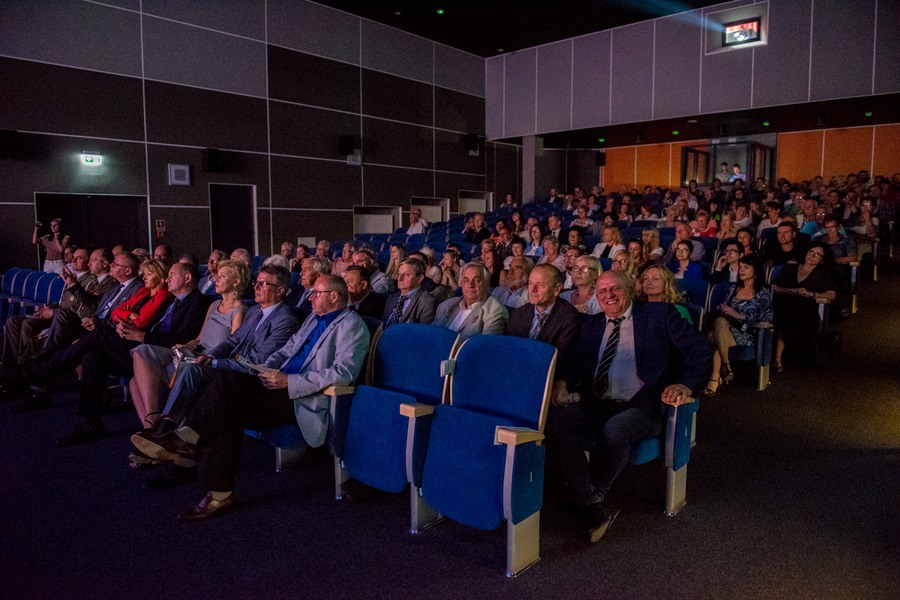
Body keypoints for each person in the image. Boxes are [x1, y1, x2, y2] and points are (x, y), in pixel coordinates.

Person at [132, 275, 370, 521]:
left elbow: (344, 374)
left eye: (317, 293)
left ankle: (190, 445)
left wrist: (289, 381)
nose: (309, 297)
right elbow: (287, 351)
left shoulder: (352, 325)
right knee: (226, 396)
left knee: (227, 393)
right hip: (275, 385)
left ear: (334, 296)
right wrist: (266, 369)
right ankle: (217, 490)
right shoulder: (313, 318)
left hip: (304, 399)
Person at [546, 269, 712, 542]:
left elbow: (700, 349)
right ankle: (591, 500)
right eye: (602, 292)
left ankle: (591, 495)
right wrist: (563, 382)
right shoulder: (592, 324)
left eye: (615, 289)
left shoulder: (660, 315)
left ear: (630, 289)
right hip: (598, 401)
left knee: (616, 428)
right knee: (554, 422)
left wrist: (686, 384)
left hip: (642, 404)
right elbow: (576, 362)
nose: (608, 296)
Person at [128, 260, 248, 435]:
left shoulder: (240, 310)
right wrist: (183, 347)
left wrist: (200, 355)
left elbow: (232, 346)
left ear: (236, 281)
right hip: (192, 353)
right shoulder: (214, 305)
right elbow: (199, 338)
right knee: (142, 352)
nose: (216, 280)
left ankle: (154, 432)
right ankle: (151, 425)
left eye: (222, 276)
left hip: (207, 362)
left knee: (135, 382)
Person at [703, 255, 772, 396]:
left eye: (746, 267)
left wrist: (738, 315)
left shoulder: (762, 292)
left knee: (714, 336)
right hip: (727, 327)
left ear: (755, 271)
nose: (741, 270)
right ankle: (724, 366)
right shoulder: (734, 288)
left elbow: (767, 317)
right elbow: (723, 310)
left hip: (748, 332)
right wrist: (723, 308)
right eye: (740, 267)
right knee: (720, 323)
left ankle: (717, 376)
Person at [771, 241, 837, 371]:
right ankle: (777, 358)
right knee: (786, 310)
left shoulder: (823, 274)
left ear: (822, 260)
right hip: (784, 303)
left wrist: (812, 294)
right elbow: (774, 287)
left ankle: (777, 358)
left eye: (817, 255)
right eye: (811, 252)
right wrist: (792, 291)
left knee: (790, 313)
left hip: (808, 308)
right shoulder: (790, 268)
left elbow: (831, 295)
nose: (812, 256)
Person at [433, 263, 508, 340]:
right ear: (461, 284)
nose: (470, 285)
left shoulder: (495, 311)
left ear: (486, 284)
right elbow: (431, 336)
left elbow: (485, 347)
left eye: (477, 280)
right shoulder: (446, 305)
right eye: (466, 280)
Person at [381, 259, 437, 327]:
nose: (399, 278)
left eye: (406, 275)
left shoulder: (427, 302)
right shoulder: (392, 297)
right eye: (399, 274)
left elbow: (423, 333)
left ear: (419, 278)